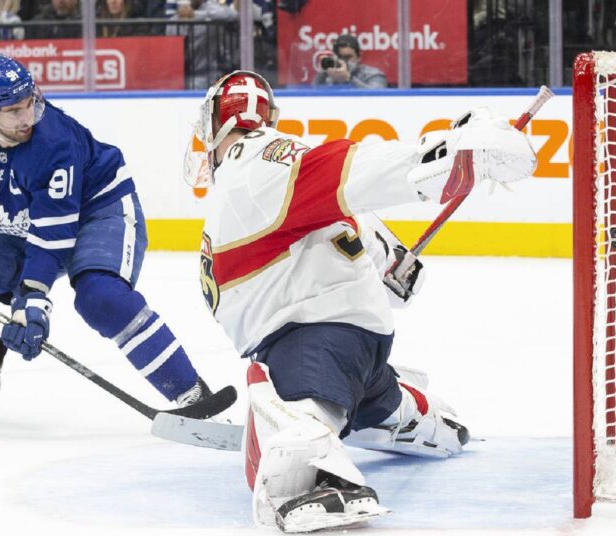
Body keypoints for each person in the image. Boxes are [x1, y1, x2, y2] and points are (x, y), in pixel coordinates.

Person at [184, 71, 537, 532]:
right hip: (357, 354)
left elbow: (346, 167)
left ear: (214, 124)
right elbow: (354, 224)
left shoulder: (254, 162)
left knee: (272, 389)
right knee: (372, 396)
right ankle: (417, 416)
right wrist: (390, 263)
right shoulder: (253, 177)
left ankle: (311, 467)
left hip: (310, 342)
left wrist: (447, 152)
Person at [0, 55, 218, 419]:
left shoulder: (54, 142)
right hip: (23, 224)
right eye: (15, 111)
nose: (27, 118)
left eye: (30, 103)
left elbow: (54, 236)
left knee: (101, 296)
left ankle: (191, 393)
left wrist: (33, 300)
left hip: (99, 210)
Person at [313, 33, 387, 89]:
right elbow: (311, 96)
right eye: (339, 57)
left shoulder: (374, 75)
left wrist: (349, 79)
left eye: (348, 57)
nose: (344, 62)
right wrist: (323, 74)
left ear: (359, 57)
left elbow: (376, 98)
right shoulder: (328, 75)